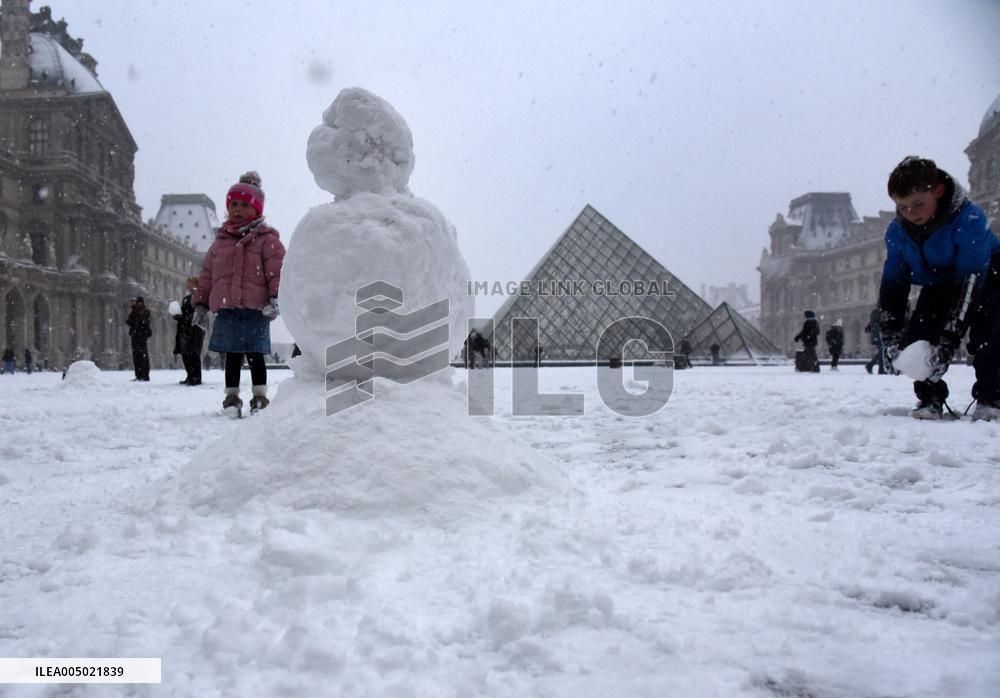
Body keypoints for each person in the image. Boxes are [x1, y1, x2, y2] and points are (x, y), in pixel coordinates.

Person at [878, 156, 1000, 420]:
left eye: (918, 204)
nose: (911, 213)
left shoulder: (970, 219)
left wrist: (949, 341)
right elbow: (893, 283)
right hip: (940, 279)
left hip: (988, 275)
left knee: (989, 332)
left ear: (939, 191)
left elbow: (969, 286)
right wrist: (889, 334)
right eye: (902, 207)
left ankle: (992, 397)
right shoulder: (897, 231)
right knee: (921, 332)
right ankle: (929, 397)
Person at [192, 171, 285, 417]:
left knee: (256, 356)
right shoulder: (220, 244)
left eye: (244, 205)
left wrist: (276, 298)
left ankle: (259, 397)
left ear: (256, 208)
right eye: (233, 204)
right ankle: (231, 398)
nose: (237, 209)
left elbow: (277, 273)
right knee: (231, 357)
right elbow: (207, 276)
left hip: (255, 310)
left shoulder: (267, 241)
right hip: (228, 309)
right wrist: (200, 304)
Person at [173, 276, 205, 385]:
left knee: (193, 353)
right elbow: (184, 312)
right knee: (186, 353)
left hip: (195, 328)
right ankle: (190, 375)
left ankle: (196, 377)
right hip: (185, 328)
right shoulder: (187, 298)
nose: (187, 285)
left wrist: (187, 319)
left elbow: (199, 313)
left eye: (189, 283)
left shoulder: (198, 296)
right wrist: (178, 315)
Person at [125, 297, 152, 381]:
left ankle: (145, 375)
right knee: (136, 356)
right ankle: (138, 375)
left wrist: (135, 310)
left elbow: (142, 320)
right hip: (135, 335)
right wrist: (133, 309)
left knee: (142, 356)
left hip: (142, 335)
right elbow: (129, 321)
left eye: (138, 302)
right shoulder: (134, 311)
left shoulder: (145, 311)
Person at [864, 306, 885, 374]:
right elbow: (874, 325)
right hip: (878, 336)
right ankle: (871, 365)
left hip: (878, 335)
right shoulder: (877, 312)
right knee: (882, 351)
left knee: (882, 352)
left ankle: (880, 369)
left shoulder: (877, 311)